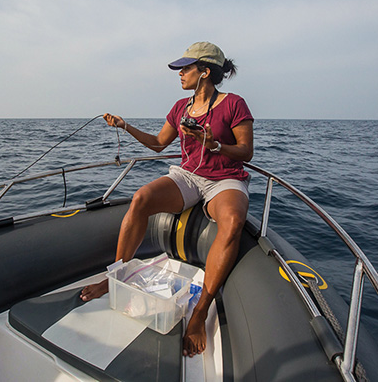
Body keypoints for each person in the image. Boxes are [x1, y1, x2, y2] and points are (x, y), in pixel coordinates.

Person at [80, 41, 254, 357]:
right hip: (188, 175)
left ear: (205, 72)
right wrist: (125, 126)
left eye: (185, 68)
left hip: (225, 179)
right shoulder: (180, 108)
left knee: (232, 222)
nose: (180, 73)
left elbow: (246, 151)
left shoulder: (234, 104)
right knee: (141, 198)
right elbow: (160, 144)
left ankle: (200, 312)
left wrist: (213, 144)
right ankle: (114, 278)